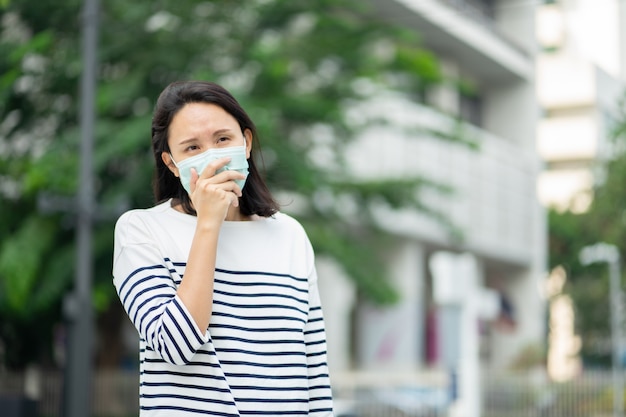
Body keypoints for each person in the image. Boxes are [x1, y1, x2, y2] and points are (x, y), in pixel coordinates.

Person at [112, 80, 334, 416]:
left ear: (245, 142)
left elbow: (314, 372)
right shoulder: (142, 231)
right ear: (172, 164)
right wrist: (208, 224)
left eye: (222, 140)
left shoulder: (290, 235)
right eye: (192, 148)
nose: (212, 157)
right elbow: (175, 346)